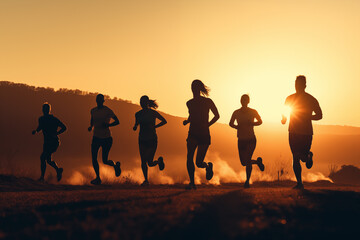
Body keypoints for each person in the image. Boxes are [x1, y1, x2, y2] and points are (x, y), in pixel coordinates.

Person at [282, 75, 322, 189]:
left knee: (303, 158)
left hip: (306, 133)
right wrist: (284, 120)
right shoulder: (289, 98)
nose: (297, 86)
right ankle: (299, 183)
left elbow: (319, 115)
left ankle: (308, 155)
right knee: (295, 157)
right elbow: (284, 112)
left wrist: (309, 117)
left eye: (299, 84)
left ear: (305, 85)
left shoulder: (311, 99)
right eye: (296, 84)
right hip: (293, 131)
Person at [183, 79, 220, 190]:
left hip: (204, 134)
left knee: (199, 163)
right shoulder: (189, 103)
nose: (193, 89)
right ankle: (192, 183)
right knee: (189, 157)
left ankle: (207, 166)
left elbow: (217, 115)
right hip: (192, 133)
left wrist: (208, 125)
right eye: (192, 87)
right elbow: (192, 115)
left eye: (195, 87)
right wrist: (187, 121)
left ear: (199, 89)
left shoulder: (208, 101)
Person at [229, 94, 265, 188]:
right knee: (244, 162)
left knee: (248, 160)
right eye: (242, 99)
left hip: (251, 139)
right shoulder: (236, 112)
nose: (243, 101)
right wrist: (237, 127)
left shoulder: (253, 111)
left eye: (245, 100)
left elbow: (260, 121)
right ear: (240, 101)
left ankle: (247, 181)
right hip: (241, 139)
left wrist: (252, 123)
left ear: (248, 101)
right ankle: (257, 162)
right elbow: (230, 123)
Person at [133, 95, 167, 186]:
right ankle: (146, 180)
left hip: (152, 139)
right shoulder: (138, 114)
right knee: (146, 161)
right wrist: (135, 126)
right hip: (142, 139)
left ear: (147, 103)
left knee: (148, 161)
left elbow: (164, 121)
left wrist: (155, 127)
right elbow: (136, 123)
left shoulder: (153, 113)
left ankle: (158, 163)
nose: (142, 104)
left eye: (143, 102)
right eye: (141, 102)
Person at [88, 94, 121, 185]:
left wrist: (108, 125)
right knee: (94, 158)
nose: (99, 101)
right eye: (97, 99)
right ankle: (98, 178)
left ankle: (115, 166)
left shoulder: (108, 111)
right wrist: (91, 127)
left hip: (106, 138)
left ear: (103, 101)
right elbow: (92, 121)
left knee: (105, 160)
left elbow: (117, 121)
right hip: (96, 137)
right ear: (96, 100)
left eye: (100, 100)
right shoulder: (93, 111)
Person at [32, 103, 66, 182]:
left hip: (54, 142)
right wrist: (36, 131)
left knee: (43, 157)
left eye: (46, 109)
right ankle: (58, 170)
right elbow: (40, 127)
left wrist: (57, 133)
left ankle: (42, 177)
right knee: (48, 160)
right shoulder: (41, 119)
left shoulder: (54, 119)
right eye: (44, 109)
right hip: (46, 142)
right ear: (42, 110)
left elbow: (64, 127)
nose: (45, 111)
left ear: (49, 110)